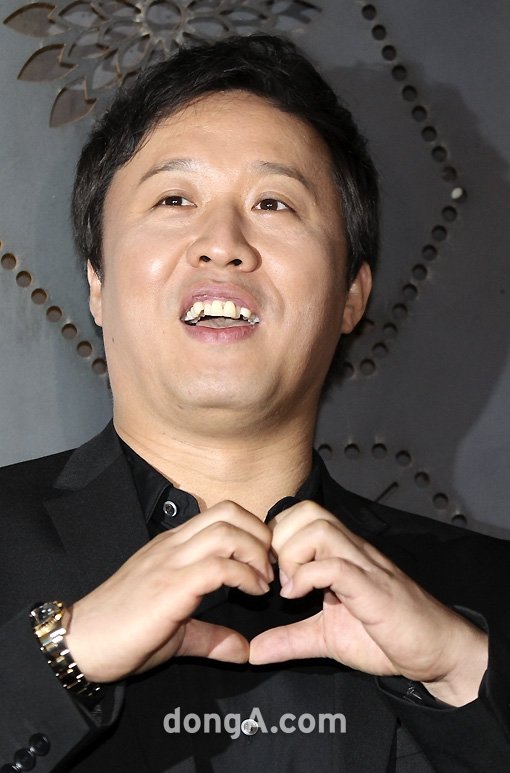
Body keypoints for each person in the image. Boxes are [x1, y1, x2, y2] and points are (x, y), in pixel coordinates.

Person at [1, 33, 509, 773]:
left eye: (274, 203)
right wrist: (60, 657)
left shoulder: (486, 597)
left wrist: (465, 671)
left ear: (352, 294)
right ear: (97, 285)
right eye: (174, 199)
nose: (223, 243)